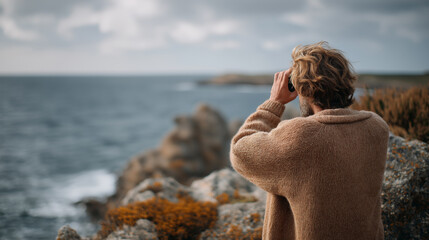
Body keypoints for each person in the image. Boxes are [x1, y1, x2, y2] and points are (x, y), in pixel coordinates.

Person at [230, 42, 389, 240]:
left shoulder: (300, 136)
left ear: (304, 89)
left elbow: (240, 151)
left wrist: (274, 103)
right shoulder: (376, 127)